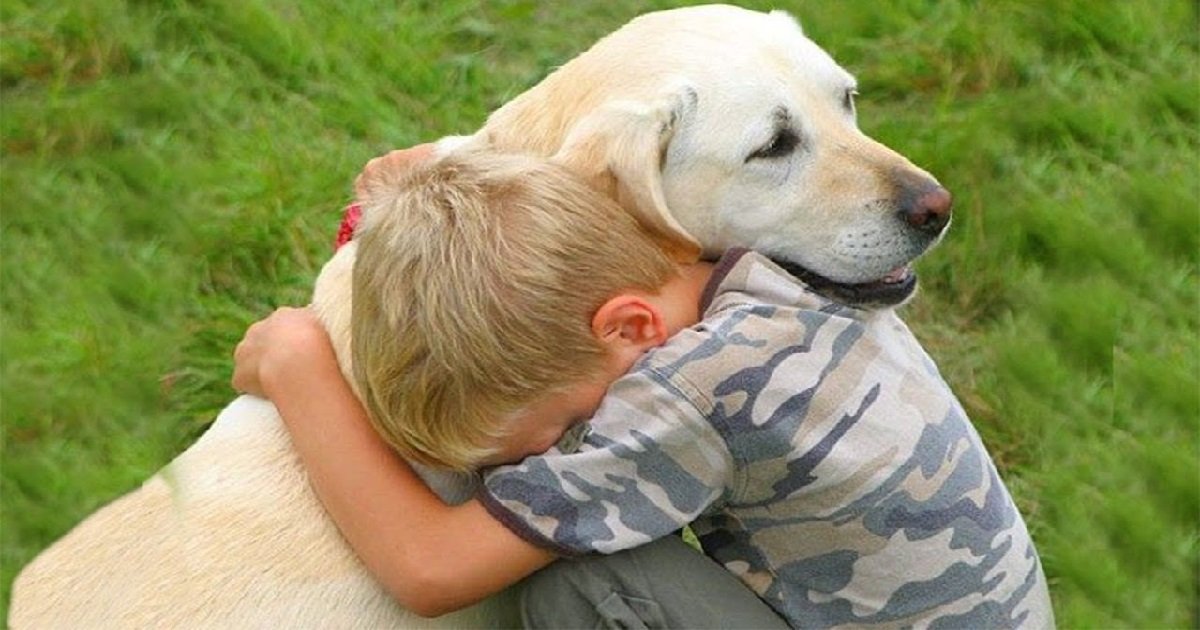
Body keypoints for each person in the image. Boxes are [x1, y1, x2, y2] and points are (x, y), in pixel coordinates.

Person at [233, 146, 1054, 628]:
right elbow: (565, 215)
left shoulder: (687, 398)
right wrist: (439, 186)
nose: (559, 453)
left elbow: (428, 569)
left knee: (578, 582)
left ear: (629, 330)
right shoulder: (754, 266)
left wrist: (298, 364)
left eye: (558, 432)